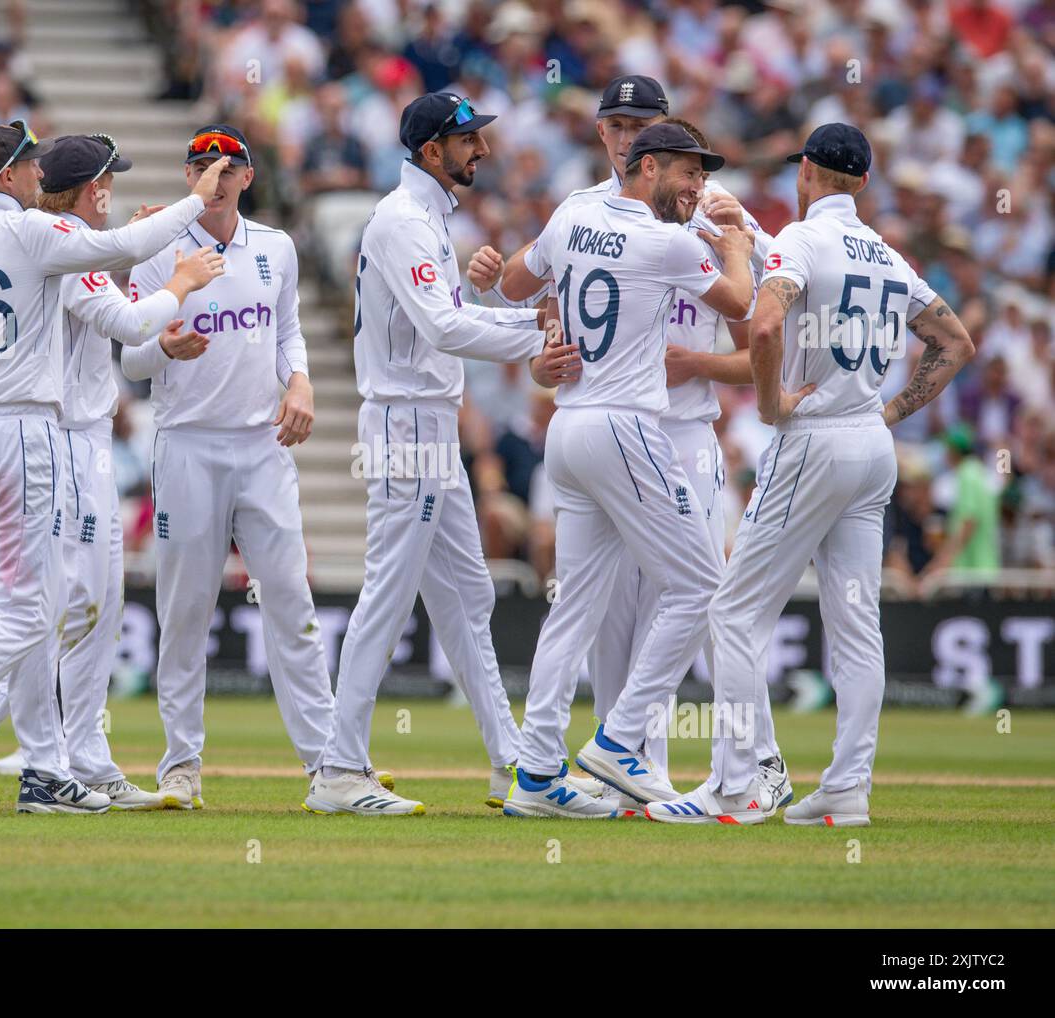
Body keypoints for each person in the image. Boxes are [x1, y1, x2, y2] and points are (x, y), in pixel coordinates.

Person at [0, 117, 228, 815]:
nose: (39, 174)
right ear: (7, 177)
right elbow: (121, 252)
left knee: (24, 602)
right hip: (24, 429)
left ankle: (42, 770)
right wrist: (194, 220)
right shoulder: (29, 231)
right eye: (30, 165)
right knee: (29, 607)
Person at [468, 79, 791, 814]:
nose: (697, 183)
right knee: (704, 588)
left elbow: (521, 287)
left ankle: (539, 774)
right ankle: (623, 744)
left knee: (577, 607)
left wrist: (503, 289)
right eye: (686, 168)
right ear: (647, 162)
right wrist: (738, 245)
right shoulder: (676, 230)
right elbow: (747, 306)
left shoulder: (576, 216)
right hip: (628, 425)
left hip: (581, 427)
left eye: (637, 123)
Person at [647, 124, 974, 826]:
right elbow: (954, 341)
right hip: (870, 446)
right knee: (857, 627)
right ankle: (849, 789)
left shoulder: (801, 239)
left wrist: (769, 404)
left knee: (733, 614)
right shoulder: (886, 256)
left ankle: (741, 785)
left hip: (814, 438)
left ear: (806, 172)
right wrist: (891, 410)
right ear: (860, 182)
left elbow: (765, 326)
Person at [303, 94, 550, 816]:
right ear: (429, 148)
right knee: (388, 591)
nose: (480, 150)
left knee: (467, 596)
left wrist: (498, 308)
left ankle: (511, 762)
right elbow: (443, 329)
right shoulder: (403, 220)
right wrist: (539, 333)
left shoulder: (431, 220)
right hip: (406, 423)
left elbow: (444, 315)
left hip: (428, 422)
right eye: (466, 139)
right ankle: (340, 769)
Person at [121, 124, 333, 809]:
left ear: (245, 178)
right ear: (188, 178)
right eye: (203, 166)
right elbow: (129, 356)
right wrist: (166, 353)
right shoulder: (157, 250)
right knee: (184, 612)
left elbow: (287, 329)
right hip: (187, 442)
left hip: (261, 446)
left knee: (292, 602)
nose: (215, 177)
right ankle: (180, 765)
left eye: (228, 167)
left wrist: (298, 383)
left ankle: (328, 764)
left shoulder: (275, 248)